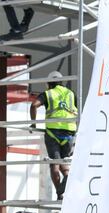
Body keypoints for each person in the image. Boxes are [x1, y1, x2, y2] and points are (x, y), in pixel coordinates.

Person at [30, 71, 77, 199]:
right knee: (64, 162)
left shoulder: (48, 93)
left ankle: (60, 193)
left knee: (54, 164)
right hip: (69, 133)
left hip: (53, 132)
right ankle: (67, 177)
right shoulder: (71, 94)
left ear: (49, 83)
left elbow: (34, 106)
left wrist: (33, 124)